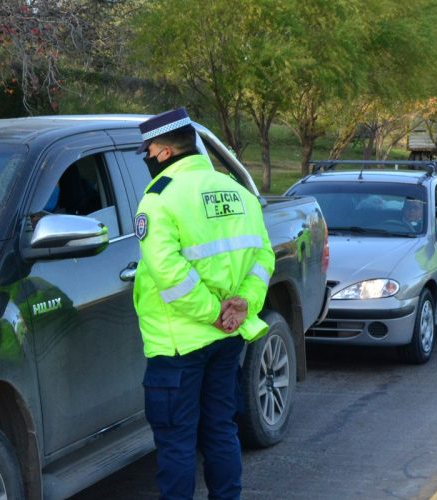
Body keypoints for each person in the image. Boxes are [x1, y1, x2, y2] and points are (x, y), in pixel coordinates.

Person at [131, 108, 276, 499]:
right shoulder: (239, 193)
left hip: (178, 343)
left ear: (162, 152)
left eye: (147, 151)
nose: (146, 158)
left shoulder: (158, 199)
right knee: (220, 430)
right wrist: (243, 303)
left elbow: (169, 273)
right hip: (227, 339)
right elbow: (263, 256)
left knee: (177, 443)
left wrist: (214, 313)